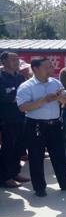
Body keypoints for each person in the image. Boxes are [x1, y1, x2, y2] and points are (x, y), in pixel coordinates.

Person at [16, 58, 66, 197]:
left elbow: (64, 100)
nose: (51, 69)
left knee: (59, 155)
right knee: (36, 157)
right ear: (35, 69)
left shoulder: (55, 83)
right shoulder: (26, 86)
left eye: (51, 66)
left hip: (54, 124)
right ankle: (39, 187)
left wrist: (63, 99)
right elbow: (22, 107)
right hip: (35, 125)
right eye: (47, 67)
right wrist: (44, 100)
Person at [0, 52, 30, 188]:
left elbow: (25, 94)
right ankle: (5, 177)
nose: (17, 62)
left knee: (19, 147)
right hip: (7, 119)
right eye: (13, 59)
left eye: (17, 59)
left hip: (21, 116)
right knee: (8, 148)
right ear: (3, 62)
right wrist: (15, 98)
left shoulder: (20, 77)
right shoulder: (1, 78)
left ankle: (15, 172)